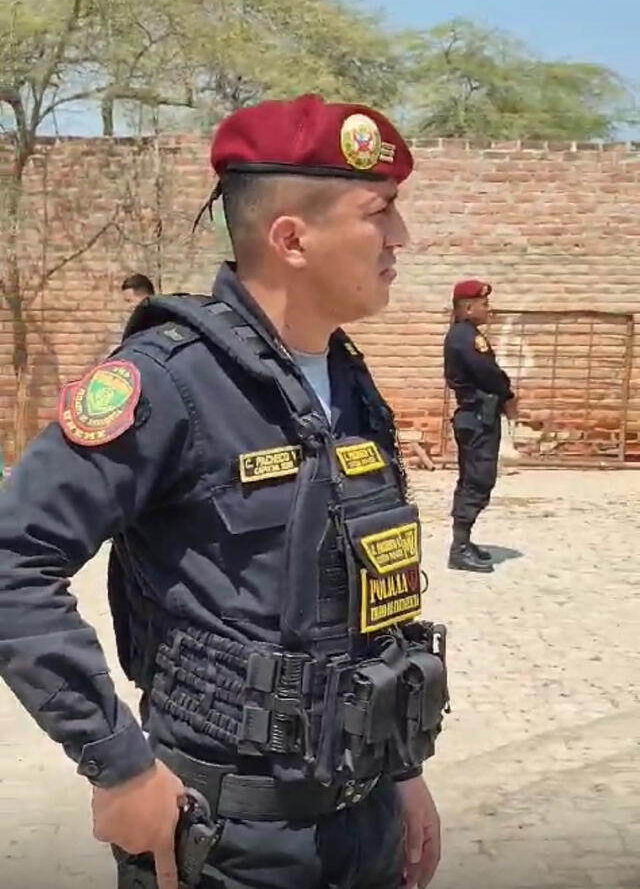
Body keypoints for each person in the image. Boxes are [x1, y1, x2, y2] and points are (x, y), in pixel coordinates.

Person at [0, 94, 449, 889]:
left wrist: (401, 768)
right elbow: (13, 562)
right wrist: (118, 767)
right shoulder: (168, 382)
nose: (400, 238)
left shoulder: (347, 382)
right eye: (379, 213)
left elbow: (368, 596)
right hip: (229, 844)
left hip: (366, 818)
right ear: (291, 237)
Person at [444, 279, 517, 573]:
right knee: (478, 479)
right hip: (477, 418)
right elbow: (488, 373)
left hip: (476, 416)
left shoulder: (464, 334)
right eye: (484, 304)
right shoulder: (467, 337)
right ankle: (459, 548)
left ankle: (464, 541)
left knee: (472, 478)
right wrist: (508, 394)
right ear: (469, 306)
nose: (489, 309)